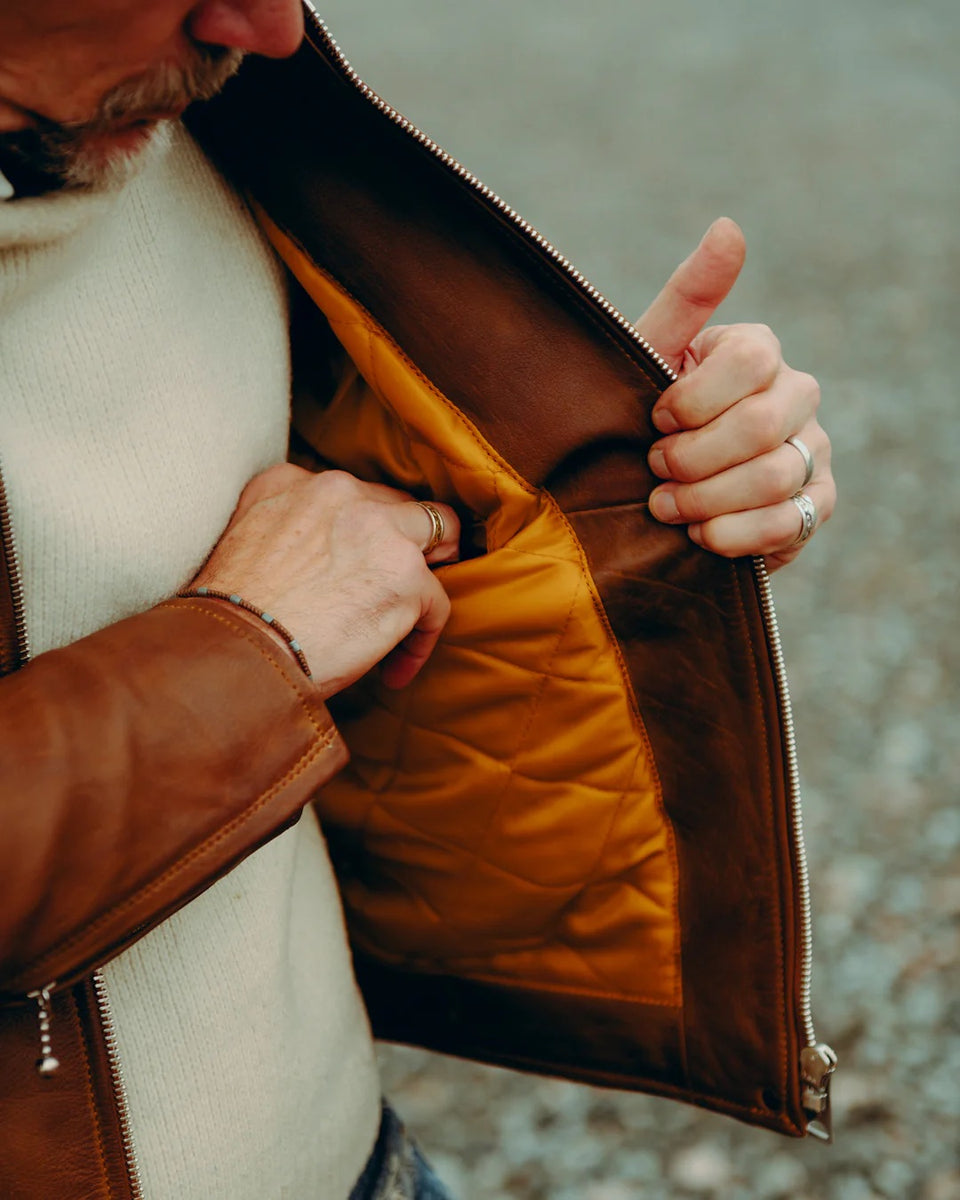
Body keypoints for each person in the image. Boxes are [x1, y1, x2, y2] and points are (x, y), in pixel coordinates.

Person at [0, 2, 836, 1198]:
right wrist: (253, 650)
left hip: (356, 1159)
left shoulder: (198, 104)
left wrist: (596, 504)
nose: (272, 26)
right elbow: (265, 623)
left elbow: (304, 544)